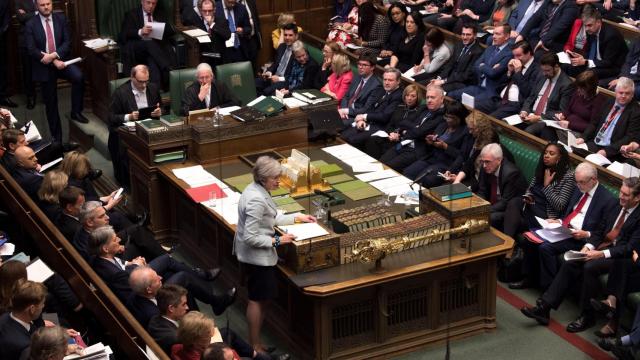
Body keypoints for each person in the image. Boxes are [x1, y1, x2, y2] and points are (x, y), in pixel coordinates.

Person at [521, 177, 640, 333]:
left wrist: (600, 254)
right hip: (602, 247)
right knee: (572, 260)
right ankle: (544, 308)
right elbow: (600, 231)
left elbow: (630, 248)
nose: (621, 197)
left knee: (590, 267)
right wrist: (588, 246)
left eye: (626, 195)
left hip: (621, 258)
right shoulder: (616, 206)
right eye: (621, 192)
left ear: (637, 197)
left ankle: (587, 316)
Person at [233, 156, 316, 354]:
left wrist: (297, 217)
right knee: (257, 299)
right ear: (263, 178)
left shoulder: (258, 190)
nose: (279, 181)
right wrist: (279, 241)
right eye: (275, 178)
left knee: (262, 299)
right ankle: (254, 346)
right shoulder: (255, 199)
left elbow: (272, 216)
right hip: (256, 258)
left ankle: (256, 343)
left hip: (259, 256)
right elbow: (250, 237)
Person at [25, 0, 86, 141]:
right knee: (51, 104)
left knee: (79, 77)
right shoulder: (30, 24)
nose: (46, 7)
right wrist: (52, 60)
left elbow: (67, 42)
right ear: (36, 6)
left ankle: (76, 112)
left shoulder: (61, 18)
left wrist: (55, 55)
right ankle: (57, 138)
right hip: (44, 65)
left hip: (61, 61)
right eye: (42, 5)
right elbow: (31, 49)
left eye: (48, 4)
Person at [127, 264, 234, 329]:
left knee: (179, 281)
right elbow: (172, 323)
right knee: (183, 279)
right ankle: (201, 322)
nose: (160, 277)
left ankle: (201, 318)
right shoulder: (153, 315)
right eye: (156, 280)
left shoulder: (137, 291)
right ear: (149, 289)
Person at [108, 64, 162, 187]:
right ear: (132, 78)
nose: (144, 85)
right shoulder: (120, 93)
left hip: (149, 128)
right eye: (140, 82)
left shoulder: (152, 88)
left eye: (146, 81)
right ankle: (132, 184)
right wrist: (129, 116)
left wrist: (159, 112)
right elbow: (111, 118)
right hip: (128, 132)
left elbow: (161, 107)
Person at [403, 101, 471, 188]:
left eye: (451, 118)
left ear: (459, 118)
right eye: (446, 116)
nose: (447, 120)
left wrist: (445, 147)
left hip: (446, 164)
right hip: (431, 158)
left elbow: (462, 155)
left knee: (424, 180)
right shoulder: (443, 125)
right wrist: (430, 142)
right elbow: (432, 142)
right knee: (408, 172)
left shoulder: (465, 131)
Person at [379, 85, 446, 172]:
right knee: (380, 162)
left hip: (416, 150)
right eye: (427, 97)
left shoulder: (442, 116)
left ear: (441, 99)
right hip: (403, 143)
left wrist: (410, 129)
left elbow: (420, 132)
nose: (429, 100)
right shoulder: (424, 108)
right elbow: (403, 122)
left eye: (432, 97)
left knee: (388, 168)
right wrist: (413, 128)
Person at [575, 77, 640, 162]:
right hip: (595, 142)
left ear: (632, 95)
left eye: (627, 93)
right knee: (574, 150)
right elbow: (594, 123)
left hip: (613, 150)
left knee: (591, 162)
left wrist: (606, 151)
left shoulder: (636, 111)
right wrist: (583, 137)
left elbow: (629, 137)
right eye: (621, 93)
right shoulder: (609, 102)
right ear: (615, 92)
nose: (623, 96)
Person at [447, 24, 513, 102]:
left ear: (507, 36)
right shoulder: (490, 48)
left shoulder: (510, 53)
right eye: (493, 33)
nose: (493, 37)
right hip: (478, 85)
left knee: (469, 103)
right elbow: (476, 65)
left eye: (497, 34)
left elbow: (493, 73)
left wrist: (483, 66)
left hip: (490, 91)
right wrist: (487, 68)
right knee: (450, 95)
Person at [120, 0, 176, 89]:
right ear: (142, 2)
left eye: (154, 4)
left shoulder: (159, 14)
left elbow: (171, 31)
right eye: (148, 3)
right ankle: (167, 68)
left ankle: (154, 92)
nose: (151, 6)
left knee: (152, 61)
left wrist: (159, 27)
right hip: (138, 48)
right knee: (148, 43)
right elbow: (124, 35)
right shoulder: (131, 14)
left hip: (155, 50)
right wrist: (140, 31)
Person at [475, 41, 539, 120]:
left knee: (490, 119)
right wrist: (509, 72)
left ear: (528, 53)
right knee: (473, 105)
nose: (516, 59)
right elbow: (500, 84)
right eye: (514, 56)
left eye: (518, 55)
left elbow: (528, 92)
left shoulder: (537, 70)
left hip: (515, 105)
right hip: (500, 100)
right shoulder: (515, 64)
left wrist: (518, 72)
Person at [561, 10, 627, 86]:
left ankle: (579, 91)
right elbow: (589, 52)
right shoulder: (591, 31)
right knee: (567, 66)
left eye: (589, 25)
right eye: (585, 26)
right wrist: (581, 57)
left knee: (589, 73)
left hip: (612, 67)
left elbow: (608, 62)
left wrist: (585, 62)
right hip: (595, 62)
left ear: (598, 22)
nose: (586, 29)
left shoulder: (611, 36)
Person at [340, 68, 403, 147]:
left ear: (398, 81)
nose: (386, 83)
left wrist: (364, 116)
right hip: (367, 123)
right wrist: (362, 120)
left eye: (390, 80)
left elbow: (384, 117)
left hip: (380, 128)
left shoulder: (399, 96)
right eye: (385, 79)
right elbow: (370, 107)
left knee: (352, 139)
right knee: (343, 135)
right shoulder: (381, 90)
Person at [518, 52, 574, 135]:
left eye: (547, 70)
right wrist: (525, 111)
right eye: (543, 70)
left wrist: (539, 117)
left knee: (529, 131)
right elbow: (531, 97)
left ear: (556, 66)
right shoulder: (541, 75)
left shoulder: (566, 84)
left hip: (546, 119)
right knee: (509, 124)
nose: (544, 73)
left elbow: (562, 111)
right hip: (530, 114)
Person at [363, 84, 424, 159]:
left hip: (403, 141)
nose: (409, 98)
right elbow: (390, 124)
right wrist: (391, 133)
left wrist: (399, 136)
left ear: (418, 98)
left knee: (387, 150)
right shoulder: (399, 107)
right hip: (390, 136)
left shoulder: (419, 112)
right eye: (407, 95)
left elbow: (413, 130)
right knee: (372, 140)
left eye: (413, 96)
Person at [476, 143, 528, 231]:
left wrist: (484, 211)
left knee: (489, 218)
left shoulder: (511, 174)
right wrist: (477, 207)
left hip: (510, 211)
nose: (484, 165)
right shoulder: (486, 167)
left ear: (499, 160)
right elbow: (482, 191)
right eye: (483, 161)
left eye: (487, 161)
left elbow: (505, 202)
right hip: (494, 205)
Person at [445, 116, 502, 192]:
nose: (470, 132)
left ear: (480, 129)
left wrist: (461, 181)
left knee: (452, 192)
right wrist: (458, 179)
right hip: (473, 177)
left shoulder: (489, 140)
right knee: (447, 187)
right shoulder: (476, 137)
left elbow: (484, 178)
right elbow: (470, 161)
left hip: (483, 182)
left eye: (472, 129)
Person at [428, 24, 484, 93]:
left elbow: (466, 75)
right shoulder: (459, 45)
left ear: (475, 36)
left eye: (468, 35)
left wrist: (443, 81)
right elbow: (450, 64)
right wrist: (439, 78)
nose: (465, 37)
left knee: (435, 91)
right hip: (450, 78)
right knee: (428, 85)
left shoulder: (478, 52)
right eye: (463, 34)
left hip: (462, 83)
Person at [0, 280, 47, 359]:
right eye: (42, 304)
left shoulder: (4, 316)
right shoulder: (25, 347)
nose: (43, 306)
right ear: (32, 309)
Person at [181, 0, 231, 67]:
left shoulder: (222, 21)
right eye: (204, 11)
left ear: (214, 10)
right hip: (204, 60)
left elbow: (227, 35)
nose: (207, 13)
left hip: (220, 60)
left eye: (210, 11)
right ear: (201, 11)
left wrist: (212, 24)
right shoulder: (196, 24)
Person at [255, 23, 299, 96]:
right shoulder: (282, 47)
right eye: (285, 35)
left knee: (266, 91)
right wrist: (269, 71)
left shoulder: (298, 52)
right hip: (273, 77)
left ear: (296, 36)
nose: (287, 38)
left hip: (284, 81)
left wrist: (279, 78)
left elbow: (294, 76)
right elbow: (275, 64)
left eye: (290, 35)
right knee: (254, 84)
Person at [338, 53, 383, 123]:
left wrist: (347, 111)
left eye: (364, 65)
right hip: (345, 112)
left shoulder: (377, 85)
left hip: (357, 117)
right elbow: (346, 96)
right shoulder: (357, 77)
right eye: (359, 64)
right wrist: (344, 110)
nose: (360, 67)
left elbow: (367, 109)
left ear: (372, 67)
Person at [14, 0, 38, 109]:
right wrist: (37, 13)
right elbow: (21, 18)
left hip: (42, 38)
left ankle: (48, 95)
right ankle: (30, 96)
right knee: (27, 70)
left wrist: (28, 14)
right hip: (26, 40)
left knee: (46, 67)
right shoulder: (19, 1)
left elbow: (48, 12)